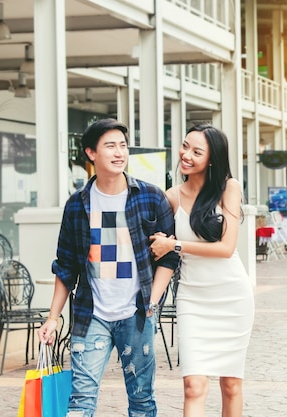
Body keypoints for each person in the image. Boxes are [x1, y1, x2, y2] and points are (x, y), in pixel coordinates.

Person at [38, 118, 180, 417]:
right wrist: (52, 318)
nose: (119, 153)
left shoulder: (151, 197)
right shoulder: (77, 204)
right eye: (110, 146)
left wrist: (152, 302)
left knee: (142, 401)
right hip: (93, 315)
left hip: (137, 313)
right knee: (80, 399)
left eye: (123, 146)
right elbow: (66, 266)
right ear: (91, 153)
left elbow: (169, 257)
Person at [149, 123, 255, 417]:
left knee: (231, 384)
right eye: (185, 146)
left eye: (197, 152)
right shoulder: (171, 197)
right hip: (193, 299)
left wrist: (175, 246)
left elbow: (226, 248)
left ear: (212, 159)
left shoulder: (228, 188)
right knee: (194, 386)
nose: (186, 155)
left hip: (232, 296)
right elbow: (161, 248)